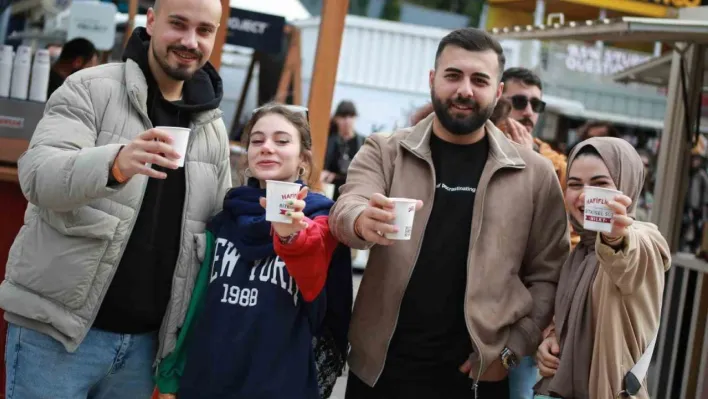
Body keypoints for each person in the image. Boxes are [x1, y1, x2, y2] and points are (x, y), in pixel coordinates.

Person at [1, 0, 231, 397]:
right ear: (152, 21)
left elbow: (213, 235)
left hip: (144, 351)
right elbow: (38, 175)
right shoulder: (90, 88)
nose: (190, 41)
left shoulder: (213, 129)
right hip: (56, 335)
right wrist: (114, 164)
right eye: (178, 24)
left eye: (204, 30)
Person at [331, 27, 570, 399]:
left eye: (479, 80)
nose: (465, 90)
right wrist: (362, 220)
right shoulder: (386, 151)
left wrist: (510, 352)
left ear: (498, 91)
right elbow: (347, 207)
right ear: (432, 80)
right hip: (381, 371)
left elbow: (549, 275)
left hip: (479, 380)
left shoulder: (535, 174)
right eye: (453, 75)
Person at [155, 103, 353, 399]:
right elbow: (195, 304)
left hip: (279, 385)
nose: (267, 147)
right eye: (257, 140)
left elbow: (328, 305)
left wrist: (292, 235)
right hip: (205, 381)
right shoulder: (223, 220)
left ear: (303, 159)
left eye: (282, 141)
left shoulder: (321, 220)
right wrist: (172, 372)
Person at [535, 137, 671, 399]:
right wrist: (551, 341)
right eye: (574, 185)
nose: (585, 195)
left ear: (626, 186)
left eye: (600, 185)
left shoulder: (644, 240)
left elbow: (626, 258)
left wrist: (613, 237)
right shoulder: (578, 253)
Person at [496, 67, 573, 399]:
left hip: (528, 309)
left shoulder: (556, 163)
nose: (528, 111)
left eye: (536, 105)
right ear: (499, 100)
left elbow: (565, 236)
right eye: (520, 101)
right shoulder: (476, 146)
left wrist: (529, 159)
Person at [322, 100, 365, 200]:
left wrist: (335, 176)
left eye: (351, 117)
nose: (347, 121)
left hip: (353, 193)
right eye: (343, 117)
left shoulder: (363, 142)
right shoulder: (329, 141)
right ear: (336, 118)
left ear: (355, 118)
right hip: (330, 192)